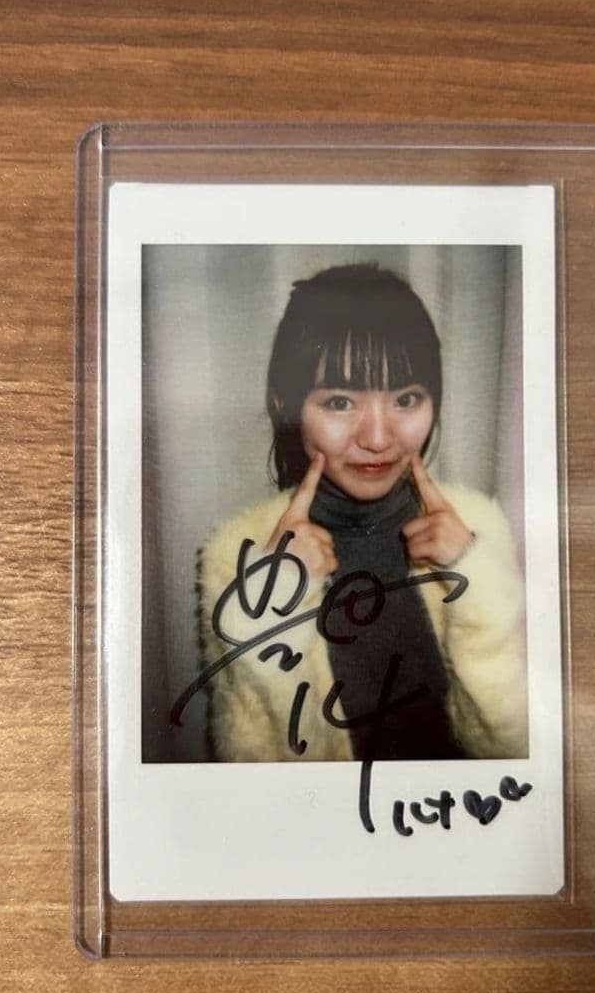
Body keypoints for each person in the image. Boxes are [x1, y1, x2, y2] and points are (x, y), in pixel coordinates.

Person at [197, 264, 528, 762]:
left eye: (406, 399)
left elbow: (515, 750)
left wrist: (475, 585)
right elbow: (260, 774)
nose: (377, 438)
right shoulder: (238, 555)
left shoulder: (478, 529)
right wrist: (276, 601)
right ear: (287, 404)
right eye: (339, 402)